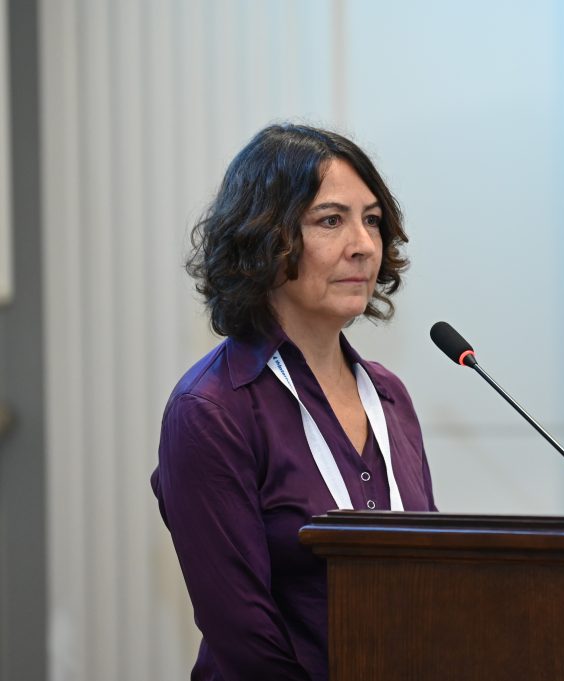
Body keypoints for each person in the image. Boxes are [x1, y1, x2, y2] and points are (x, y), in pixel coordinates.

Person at [152, 123, 437, 681]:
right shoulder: (212, 411)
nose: (363, 244)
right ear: (265, 238)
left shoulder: (389, 397)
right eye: (331, 220)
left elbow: (427, 581)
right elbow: (244, 636)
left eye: (372, 220)